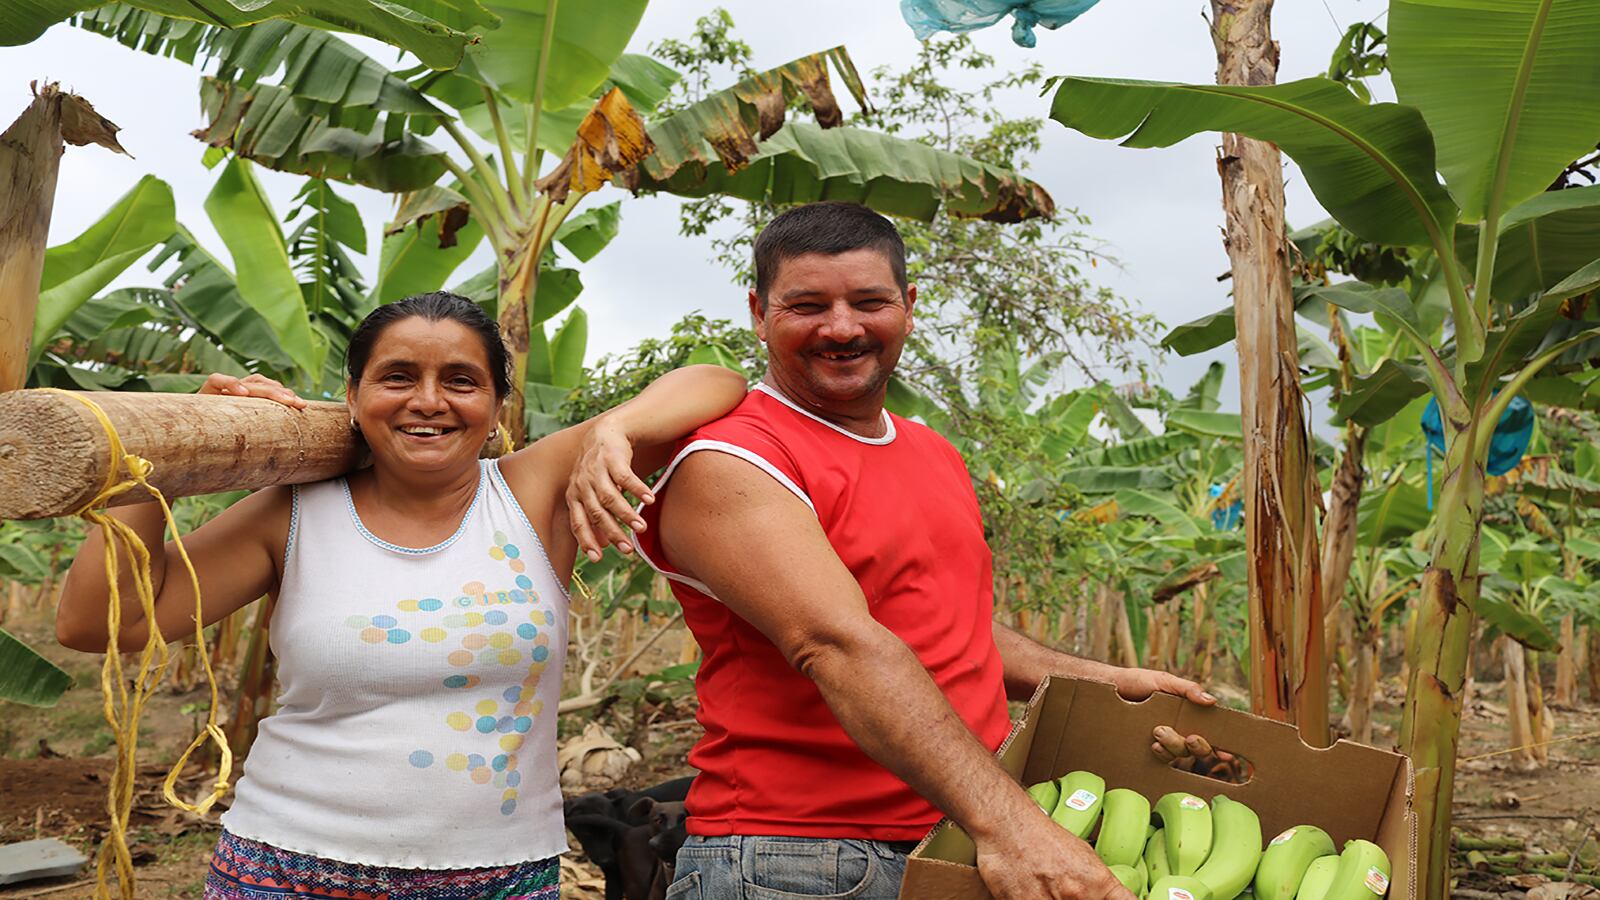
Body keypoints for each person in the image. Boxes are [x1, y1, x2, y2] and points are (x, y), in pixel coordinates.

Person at [56, 292, 747, 900]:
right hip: (289, 870)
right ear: (353, 397)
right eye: (397, 377)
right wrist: (172, 452)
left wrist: (613, 430)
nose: (428, 400)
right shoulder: (292, 514)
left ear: (498, 406)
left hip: (502, 876)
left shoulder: (532, 494)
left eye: (460, 381)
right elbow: (98, 622)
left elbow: (717, 379)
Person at [630, 202, 1217, 900]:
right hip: (797, 861)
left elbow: (943, 632)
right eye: (808, 304)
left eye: (869, 301)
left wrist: (1107, 683)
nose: (842, 327)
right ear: (760, 313)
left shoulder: (930, 451)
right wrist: (1012, 825)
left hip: (949, 841)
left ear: (908, 307)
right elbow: (840, 645)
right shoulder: (734, 458)